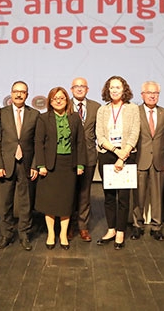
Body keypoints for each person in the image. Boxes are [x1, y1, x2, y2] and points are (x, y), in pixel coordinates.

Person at [34, 86, 85, 250]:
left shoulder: (75, 118)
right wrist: (41, 165)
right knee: (49, 202)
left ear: (67, 100)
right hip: (50, 166)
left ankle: (63, 234)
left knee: (66, 202)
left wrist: (80, 164)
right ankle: (51, 234)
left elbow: (80, 142)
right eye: (55, 98)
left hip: (69, 165)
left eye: (62, 98)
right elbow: (38, 143)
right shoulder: (43, 118)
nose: (58, 101)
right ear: (50, 101)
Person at [0, 81, 39, 251]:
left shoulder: (35, 114)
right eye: (16, 91)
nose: (19, 94)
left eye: (22, 92)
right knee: (5, 203)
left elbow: (37, 142)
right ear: (11, 93)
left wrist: (34, 165)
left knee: (26, 202)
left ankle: (24, 234)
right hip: (6, 164)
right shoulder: (1, 113)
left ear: (27, 95)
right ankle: (6, 235)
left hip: (26, 164)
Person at [95, 76, 140, 250]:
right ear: (108, 90)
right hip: (107, 154)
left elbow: (134, 133)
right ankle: (111, 229)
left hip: (127, 155)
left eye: (118, 87)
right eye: (111, 87)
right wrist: (115, 151)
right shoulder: (102, 110)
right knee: (109, 196)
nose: (114, 90)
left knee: (123, 197)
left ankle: (121, 231)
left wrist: (122, 156)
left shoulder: (132, 108)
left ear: (124, 90)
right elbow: (100, 136)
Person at [132, 81, 164, 242]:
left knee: (157, 196)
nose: (152, 96)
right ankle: (137, 225)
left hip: (159, 160)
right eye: (149, 92)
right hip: (140, 159)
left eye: (155, 93)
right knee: (138, 196)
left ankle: (157, 227)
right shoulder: (135, 112)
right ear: (142, 95)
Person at [68, 77, 101, 242]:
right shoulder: (64, 105)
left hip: (89, 156)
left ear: (87, 89)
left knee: (84, 193)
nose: (80, 89)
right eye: (76, 86)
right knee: (69, 192)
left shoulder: (96, 107)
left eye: (83, 86)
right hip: (69, 156)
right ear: (71, 89)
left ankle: (83, 227)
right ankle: (69, 226)